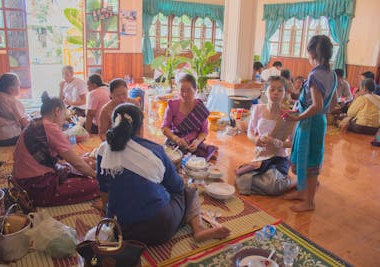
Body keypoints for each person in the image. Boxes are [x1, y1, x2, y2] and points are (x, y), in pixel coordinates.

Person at [96, 103, 230, 245]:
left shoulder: (103, 150)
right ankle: (199, 228)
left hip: (121, 230)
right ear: (141, 128)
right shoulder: (154, 151)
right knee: (188, 190)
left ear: (114, 124)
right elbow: (177, 187)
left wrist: (108, 213)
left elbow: (104, 189)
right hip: (160, 229)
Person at [12, 92, 99, 206]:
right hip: (37, 186)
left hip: (20, 181)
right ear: (57, 111)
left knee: (86, 162)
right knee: (97, 184)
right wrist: (97, 177)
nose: (64, 120)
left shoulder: (34, 123)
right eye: (64, 115)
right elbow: (77, 163)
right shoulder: (51, 127)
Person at [282, 35, 337, 212]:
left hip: (310, 123)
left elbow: (317, 105)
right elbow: (332, 102)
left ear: (312, 52)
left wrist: (298, 117)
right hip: (317, 121)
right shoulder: (332, 74)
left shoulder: (315, 75)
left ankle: (309, 202)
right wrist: (300, 110)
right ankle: (301, 191)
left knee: (310, 161)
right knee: (305, 156)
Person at [235, 76, 296, 196]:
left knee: (271, 183)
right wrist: (256, 140)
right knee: (241, 179)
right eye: (272, 89)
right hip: (261, 157)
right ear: (265, 91)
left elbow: (293, 143)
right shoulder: (257, 109)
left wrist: (277, 143)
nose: (276, 93)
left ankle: (293, 182)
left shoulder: (289, 116)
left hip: (279, 158)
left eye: (280, 90)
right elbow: (250, 132)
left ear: (284, 93)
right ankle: (278, 184)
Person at [162, 74, 218, 161]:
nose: (184, 94)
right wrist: (176, 139)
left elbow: (204, 131)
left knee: (201, 161)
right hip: (175, 143)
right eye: (182, 90)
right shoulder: (172, 105)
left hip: (193, 144)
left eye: (188, 90)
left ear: (195, 90)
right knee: (170, 159)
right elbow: (164, 128)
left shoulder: (200, 108)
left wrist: (197, 142)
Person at [0, 73, 29, 146]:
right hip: (7, 138)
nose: (20, 87)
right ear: (10, 89)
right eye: (18, 85)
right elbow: (25, 124)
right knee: (32, 130)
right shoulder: (12, 102)